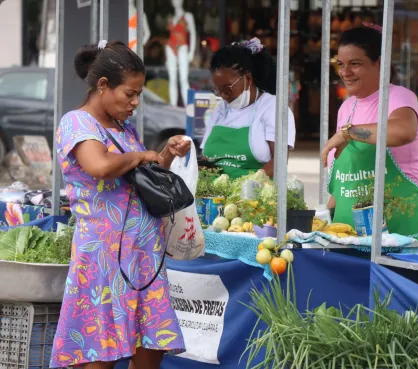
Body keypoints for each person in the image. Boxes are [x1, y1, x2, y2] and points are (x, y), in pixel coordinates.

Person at [50, 40, 189, 369]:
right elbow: (99, 166)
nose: (135, 102)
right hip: (105, 258)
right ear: (103, 85)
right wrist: (141, 154)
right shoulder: (77, 123)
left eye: (139, 94)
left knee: (150, 346)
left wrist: (166, 153)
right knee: (102, 348)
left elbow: (141, 181)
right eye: (130, 93)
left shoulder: (123, 129)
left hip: (143, 255)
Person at [321, 25, 418, 244]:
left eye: (355, 64)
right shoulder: (346, 109)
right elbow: (344, 183)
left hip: (402, 233)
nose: (345, 72)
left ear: (379, 63)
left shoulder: (399, 97)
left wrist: (349, 133)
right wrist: (324, 218)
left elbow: (403, 131)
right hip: (351, 237)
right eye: (340, 65)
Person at [201, 37, 296, 179]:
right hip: (213, 198)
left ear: (248, 79)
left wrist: (248, 185)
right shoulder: (221, 110)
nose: (223, 96)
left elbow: (279, 163)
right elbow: (206, 158)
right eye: (218, 90)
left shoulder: (273, 108)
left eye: (227, 89)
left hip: (253, 198)